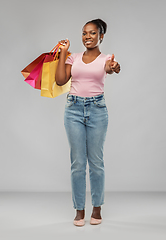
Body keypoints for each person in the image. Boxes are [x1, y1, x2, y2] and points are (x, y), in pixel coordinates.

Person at [55, 18, 120, 227]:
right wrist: (63, 52)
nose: (87, 37)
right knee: (77, 163)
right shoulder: (73, 58)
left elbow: (111, 69)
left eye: (92, 33)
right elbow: (60, 80)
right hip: (73, 110)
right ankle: (79, 210)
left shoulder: (106, 58)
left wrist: (114, 67)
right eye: (84, 33)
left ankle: (97, 208)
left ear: (101, 36)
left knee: (96, 162)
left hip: (97, 110)